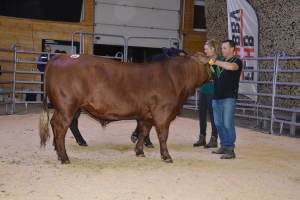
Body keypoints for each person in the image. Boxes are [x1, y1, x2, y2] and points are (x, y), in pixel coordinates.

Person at [131, 47, 187, 148]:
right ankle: (144, 138)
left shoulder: (162, 59)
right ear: (179, 55)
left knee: (147, 114)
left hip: (146, 89)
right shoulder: (166, 62)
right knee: (150, 115)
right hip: (150, 90)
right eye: (182, 57)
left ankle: (139, 134)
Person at [209, 39, 242, 159]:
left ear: (232, 49)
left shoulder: (237, 61)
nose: (222, 50)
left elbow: (231, 67)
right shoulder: (220, 61)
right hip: (217, 95)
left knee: (228, 123)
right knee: (218, 123)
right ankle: (223, 145)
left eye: (224, 48)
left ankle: (230, 149)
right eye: (222, 48)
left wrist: (215, 61)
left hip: (229, 96)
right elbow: (215, 70)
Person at [193, 38, 220, 148]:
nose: (205, 51)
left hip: (213, 92)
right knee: (202, 115)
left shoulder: (218, 61)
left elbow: (219, 75)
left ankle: (214, 138)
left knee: (213, 116)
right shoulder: (204, 60)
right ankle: (202, 137)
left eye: (206, 49)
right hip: (203, 91)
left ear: (212, 49)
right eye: (204, 49)